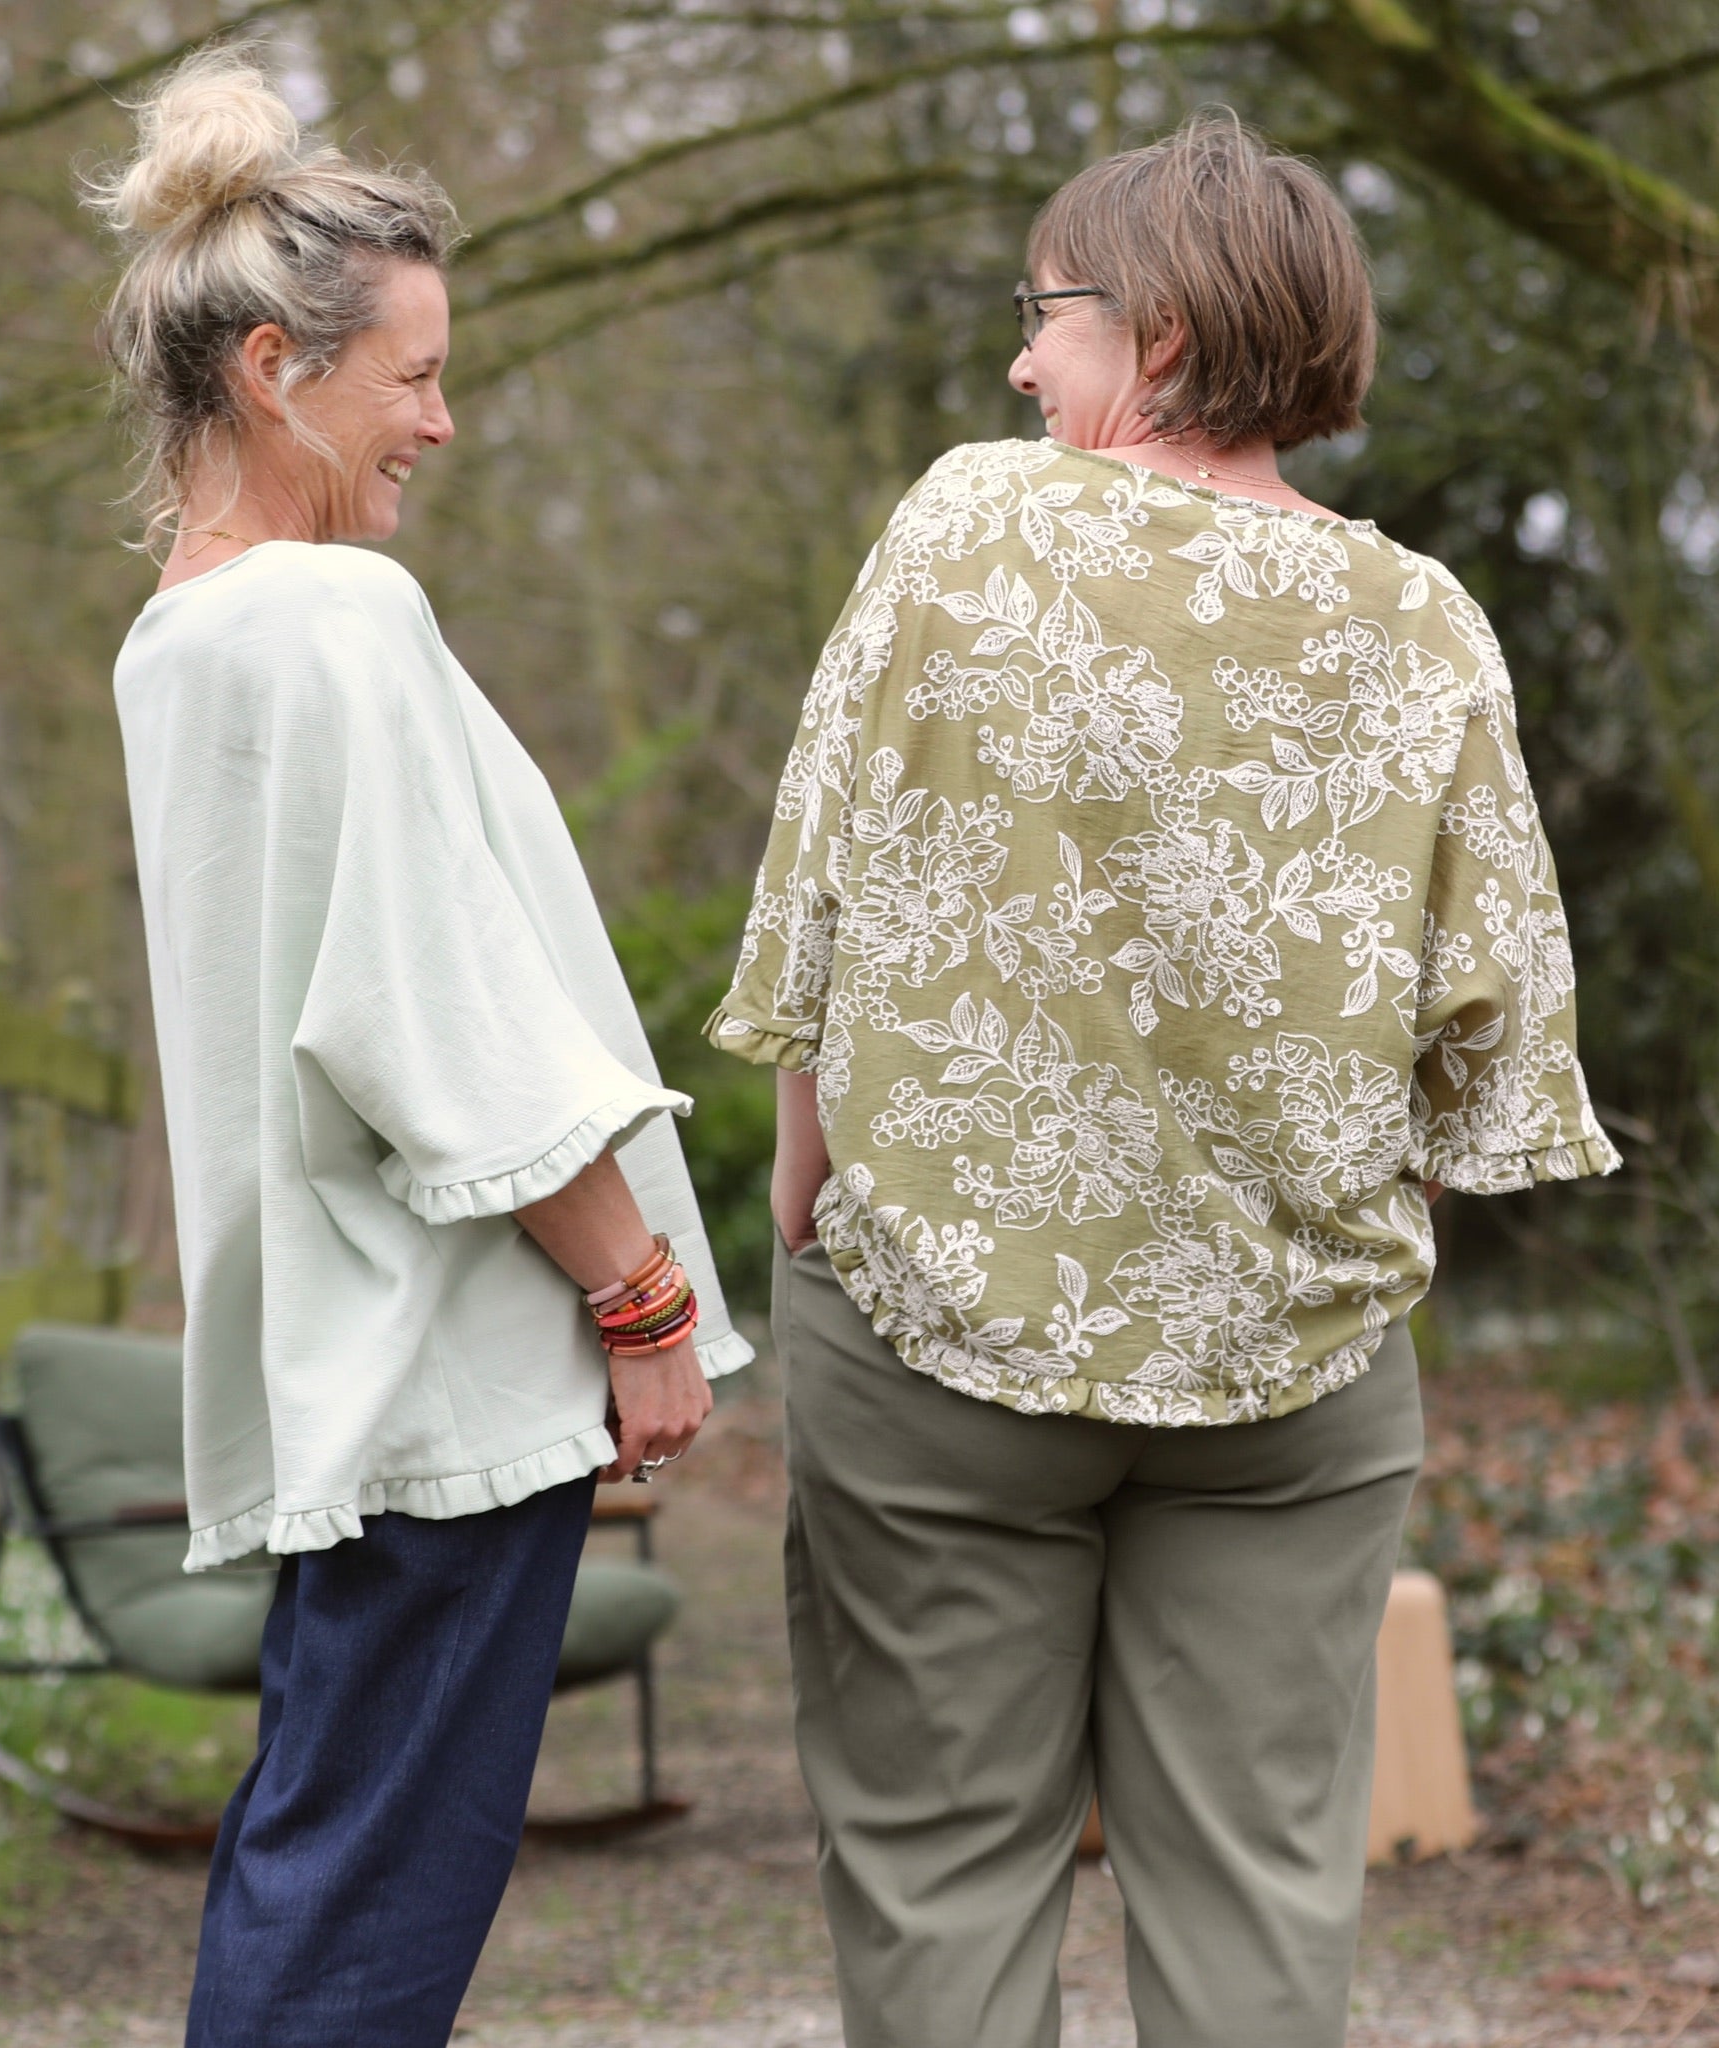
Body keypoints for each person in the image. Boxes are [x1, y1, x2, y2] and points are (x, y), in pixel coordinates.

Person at [706, 111, 1617, 2048]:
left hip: (940, 1319)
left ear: (1166, 332)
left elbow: (825, 877)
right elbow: (1487, 1037)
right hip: (1296, 1365)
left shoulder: (970, 526)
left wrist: (807, 1178)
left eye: (1044, 313)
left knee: (942, 1868)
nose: (1021, 364)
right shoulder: (1423, 622)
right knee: (1259, 1887)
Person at [97, 46, 751, 2048]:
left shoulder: (184, 636)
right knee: (369, 1902)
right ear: (273, 371)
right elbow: (436, 1022)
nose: (443, 423)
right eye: (415, 377)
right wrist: (641, 1294)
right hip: (444, 1362)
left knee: (327, 1845)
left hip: (340, 1358)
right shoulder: (332, 619)